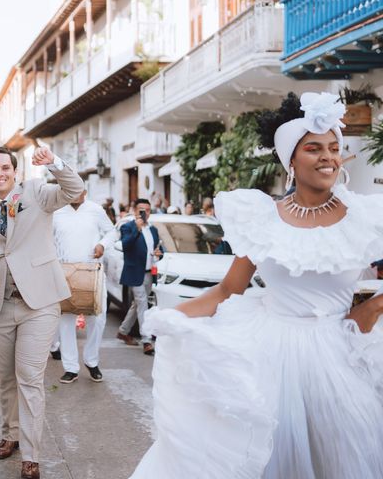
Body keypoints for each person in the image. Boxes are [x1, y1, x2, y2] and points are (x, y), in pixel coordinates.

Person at [130, 92, 383, 479]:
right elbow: (228, 290)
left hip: (339, 354)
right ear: (291, 162)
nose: (328, 157)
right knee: (260, 457)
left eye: (334, 147)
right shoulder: (262, 217)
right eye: (314, 148)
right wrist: (169, 316)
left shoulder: (366, 215)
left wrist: (374, 307)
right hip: (268, 356)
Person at [0, 146, 83, 479]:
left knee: (29, 377)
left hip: (40, 303)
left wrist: (55, 164)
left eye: (5, 168)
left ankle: (31, 455)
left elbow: (74, 191)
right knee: (4, 378)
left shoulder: (36, 193)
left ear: (14, 172)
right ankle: (10, 433)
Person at [52, 190, 116, 384]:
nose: (74, 193)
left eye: (78, 189)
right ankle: (70, 367)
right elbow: (46, 239)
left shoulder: (95, 210)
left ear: (85, 192)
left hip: (92, 271)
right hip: (64, 272)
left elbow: (112, 231)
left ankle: (92, 361)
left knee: (98, 317)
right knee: (66, 319)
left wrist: (102, 245)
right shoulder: (56, 211)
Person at [116, 199, 163, 356]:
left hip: (149, 273)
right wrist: (137, 229)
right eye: (141, 210)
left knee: (137, 304)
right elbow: (126, 245)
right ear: (135, 210)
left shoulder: (154, 230)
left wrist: (159, 253)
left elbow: (158, 248)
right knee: (142, 303)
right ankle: (147, 339)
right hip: (134, 272)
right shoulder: (127, 227)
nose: (145, 213)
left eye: (148, 210)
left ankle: (123, 331)